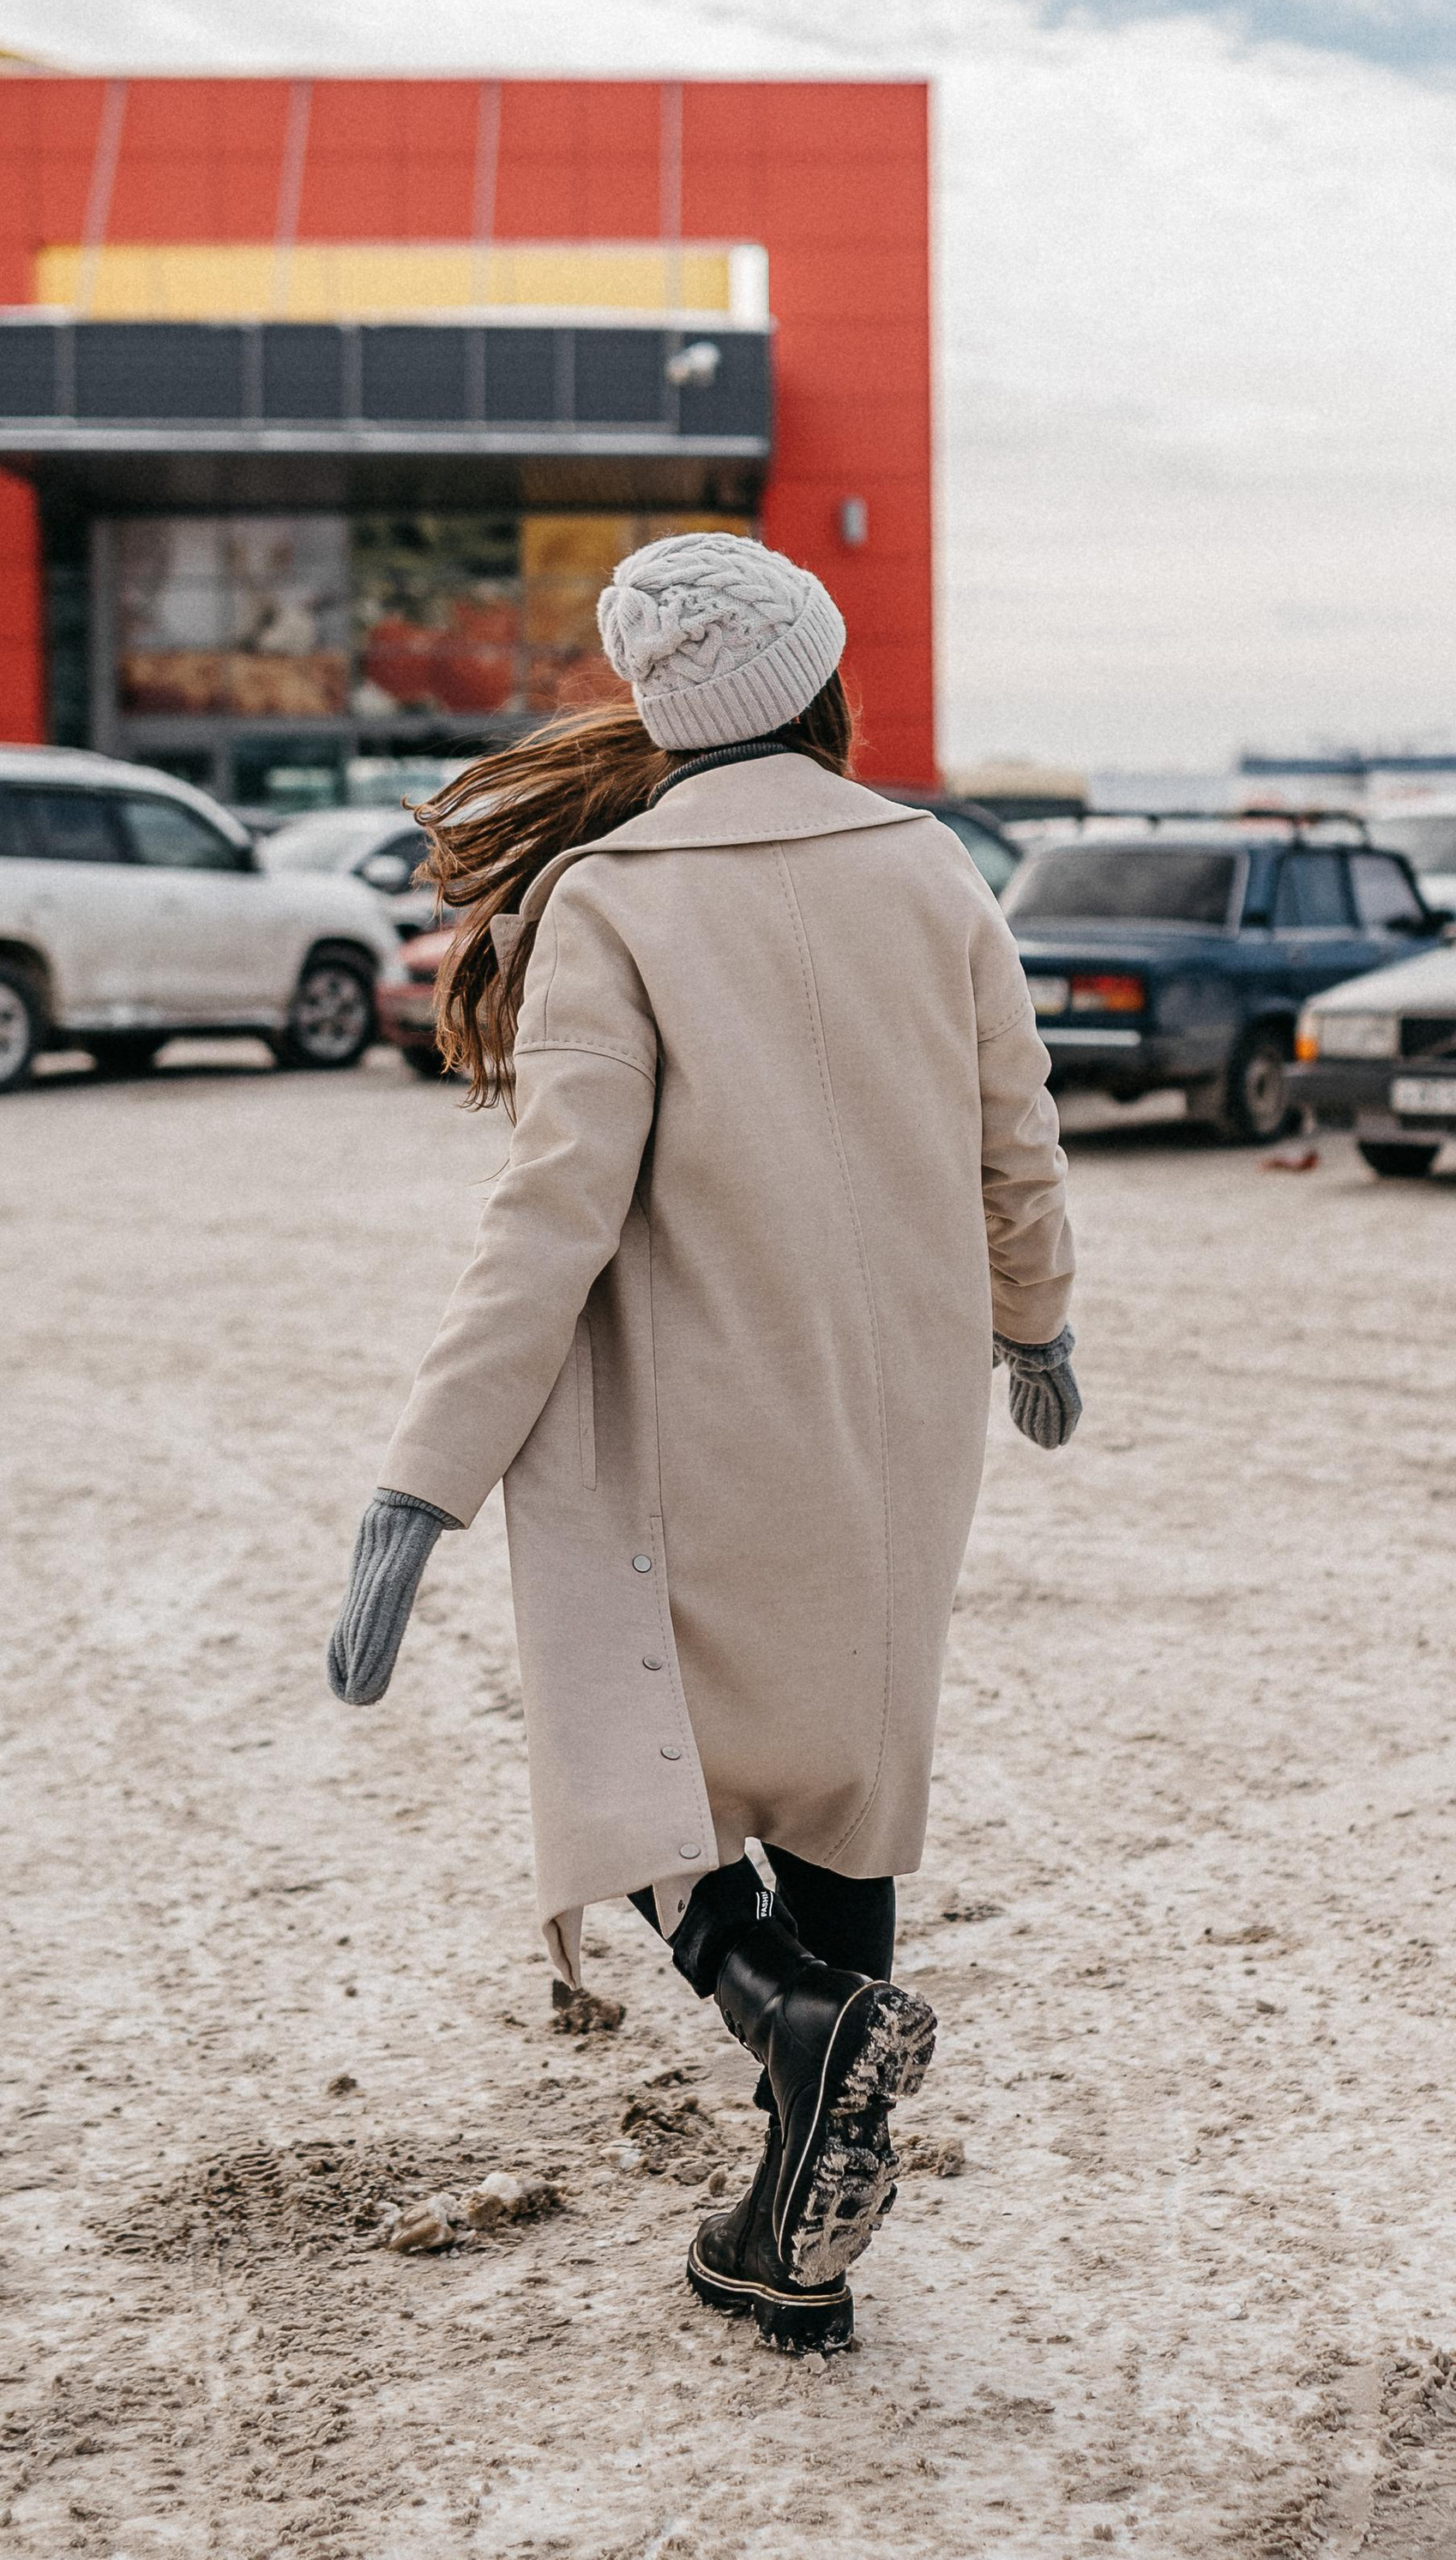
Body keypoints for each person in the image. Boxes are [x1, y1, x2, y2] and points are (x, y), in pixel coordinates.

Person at [325, 531, 1077, 2352]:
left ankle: (784, 2019)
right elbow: (1016, 1136)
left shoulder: (614, 895)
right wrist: (1036, 1323)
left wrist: (425, 1474)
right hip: (900, 1421)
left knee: (634, 1738)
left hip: (682, 1431)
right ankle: (796, 2233)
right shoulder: (932, 868)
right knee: (844, 1774)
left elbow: (552, 1214)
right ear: (820, 678)